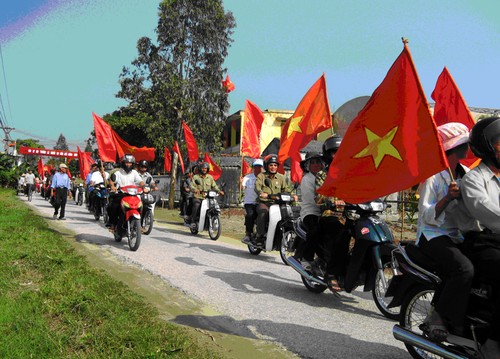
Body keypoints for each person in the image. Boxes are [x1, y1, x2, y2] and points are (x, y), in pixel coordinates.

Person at [416, 122, 474, 341]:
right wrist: (448, 197)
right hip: (432, 235)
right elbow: (426, 214)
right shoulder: (433, 176)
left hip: (458, 233)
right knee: (464, 269)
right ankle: (438, 316)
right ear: (453, 147)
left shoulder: (466, 174)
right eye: (464, 143)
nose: (468, 147)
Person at [456, 117, 500, 358]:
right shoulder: (474, 179)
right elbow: (484, 210)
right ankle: (492, 343)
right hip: (480, 241)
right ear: (487, 146)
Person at [315, 135, 350, 292]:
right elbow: (319, 197)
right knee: (340, 233)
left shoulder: (348, 174)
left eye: (339, 152)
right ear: (327, 155)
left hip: (348, 214)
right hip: (329, 214)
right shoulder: (322, 175)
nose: (336, 156)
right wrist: (331, 200)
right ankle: (330, 273)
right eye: (333, 153)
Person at [253, 154, 293, 246]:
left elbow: (286, 189)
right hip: (264, 202)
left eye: (275, 165)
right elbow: (257, 187)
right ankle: (260, 236)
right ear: (267, 166)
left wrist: (292, 195)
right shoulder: (261, 176)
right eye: (271, 165)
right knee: (263, 212)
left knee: (287, 214)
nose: (273, 167)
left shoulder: (281, 177)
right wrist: (261, 193)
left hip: (277, 203)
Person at [293, 153, 324, 270]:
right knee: (315, 230)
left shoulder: (327, 176)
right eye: (313, 162)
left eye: (318, 162)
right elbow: (311, 200)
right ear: (308, 165)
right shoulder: (307, 179)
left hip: (328, 212)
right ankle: (307, 258)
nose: (316, 165)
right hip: (311, 212)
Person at [107, 154, 145, 230]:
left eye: (130, 163)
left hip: (133, 195)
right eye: (127, 162)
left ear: (133, 164)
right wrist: (112, 186)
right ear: (123, 163)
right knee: (113, 205)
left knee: (143, 205)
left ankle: (140, 224)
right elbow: (111, 180)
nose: (128, 164)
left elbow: (140, 181)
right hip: (121, 194)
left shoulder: (134, 172)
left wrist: (144, 187)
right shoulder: (118, 172)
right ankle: (113, 224)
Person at [188, 162, 224, 229]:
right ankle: (193, 221)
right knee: (197, 204)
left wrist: (219, 191)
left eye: (205, 168)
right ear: (200, 169)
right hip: (198, 196)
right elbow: (191, 185)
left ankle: (214, 221)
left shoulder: (210, 177)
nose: (204, 169)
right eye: (202, 168)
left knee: (214, 206)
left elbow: (214, 186)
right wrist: (195, 189)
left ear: (207, 169)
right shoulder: (196, 177)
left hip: (208, 198)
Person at [241, 158, 264, 244]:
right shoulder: (247, 177)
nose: (258, 169)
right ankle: (248, 234)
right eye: (256, 167)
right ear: (253, 168)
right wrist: (239, 183)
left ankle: (261, 235)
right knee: (250, 215)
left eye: (260, 167)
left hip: (261, 202)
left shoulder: (265, 177)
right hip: (249, 202)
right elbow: (242, 187)